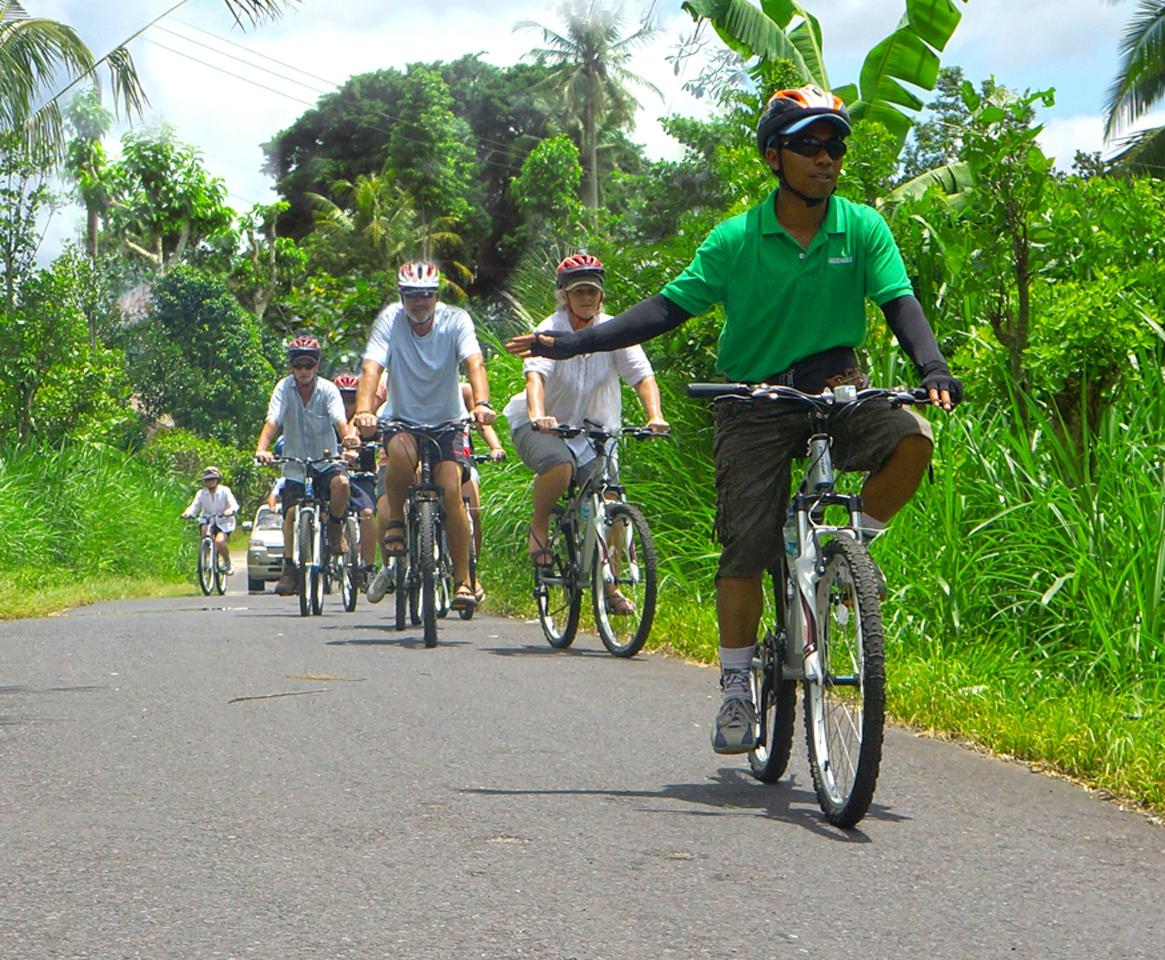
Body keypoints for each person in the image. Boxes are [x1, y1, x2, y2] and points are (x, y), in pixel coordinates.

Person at [507, 85, 963, 754]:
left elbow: (899, 303)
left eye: (834, 145)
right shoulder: (736, 240)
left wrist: (932, 368)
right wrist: (571, 342)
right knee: (745, 547)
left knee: (911, 439)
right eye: (809, 144)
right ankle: (734, 686)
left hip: (837, 388)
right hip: (751, 400)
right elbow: (663, 311)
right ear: (774, 156)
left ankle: (851, 553)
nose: (826, 157)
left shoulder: (861, 227)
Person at [503, 253, 669, 615]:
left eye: (592, 291)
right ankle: (541, 521)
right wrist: (538, 415)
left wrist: (655, 416)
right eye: (578, 291)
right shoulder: (550, 330)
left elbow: (643, 376)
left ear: (601, 297)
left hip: (595, 431)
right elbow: (535, 378)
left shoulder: (614, 332)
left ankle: (609, 584)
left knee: (610, 499)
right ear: (564, 296)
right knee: (560, 467)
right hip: (543, 427)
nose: (586, 298)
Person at [353, 261, 497, 611]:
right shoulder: (390, 320)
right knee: (400, 455)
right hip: (403, 419)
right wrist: (363, 410)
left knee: (451, 492)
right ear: (402, 297)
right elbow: (372, 368)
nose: (419, 303)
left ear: (436, 297)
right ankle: (398, 522)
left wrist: (481, 403)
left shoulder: (456, 320)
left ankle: (463, 581)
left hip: (447, 422)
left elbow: (474, 362)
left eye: (426, 296)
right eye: (411, 296)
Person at [255, 336, 358, 596]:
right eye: (298, 365)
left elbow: (340, 421)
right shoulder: (283, 388)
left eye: (308, 366)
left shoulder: (328, 390)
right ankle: (290, 567)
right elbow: (273, 420)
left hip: (326, 461)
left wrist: (349, 446)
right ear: (291, 366)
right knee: (290, 514)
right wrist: (262, 448)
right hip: (295, 464)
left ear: (317, 366)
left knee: (342, 484)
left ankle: (335, 528)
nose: (303, 371)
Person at [460, 380, 506, 603]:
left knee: (474, 512)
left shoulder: (464, 390)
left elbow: (481, 423)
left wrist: (495, 447)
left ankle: (471, 573)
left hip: (463, 458)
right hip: (428, 458)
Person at [333, 372, 381, 576]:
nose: (346, 406)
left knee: (368, 514)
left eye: (351, 400)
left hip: (363, 477)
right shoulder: (328, 422)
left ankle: (369, 566)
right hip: (335, 476)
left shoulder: (369, 423)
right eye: (341, 400)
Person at [180, 466, 239, 575]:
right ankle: (204, 560)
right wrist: (188, 513)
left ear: (217, 479)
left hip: (224, 522)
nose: (210, 482)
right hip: (207, 519)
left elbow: (234, 505)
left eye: (212, 479)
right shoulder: (201, 493)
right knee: (204, 532)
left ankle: (227, 562)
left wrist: (229, 511)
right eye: (208, 480)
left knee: (219, 541)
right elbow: (194, 506)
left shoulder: (225, 491)